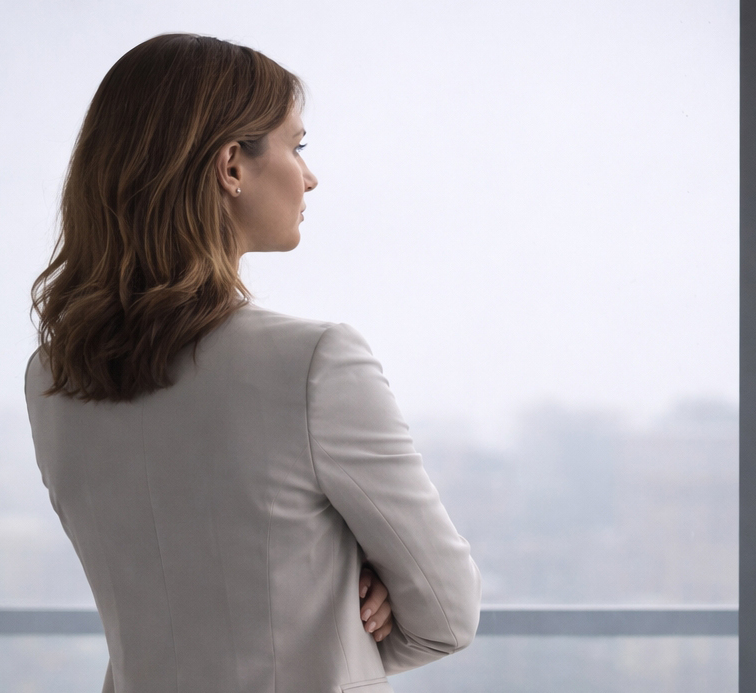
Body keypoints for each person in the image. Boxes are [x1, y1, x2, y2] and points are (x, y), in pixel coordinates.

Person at [25, 33, 480, 693]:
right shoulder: (316, 364)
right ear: (231, 166)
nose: (310, 174)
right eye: (297, 147)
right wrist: (340, 615)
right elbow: (447, 613)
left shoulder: (53, 378)